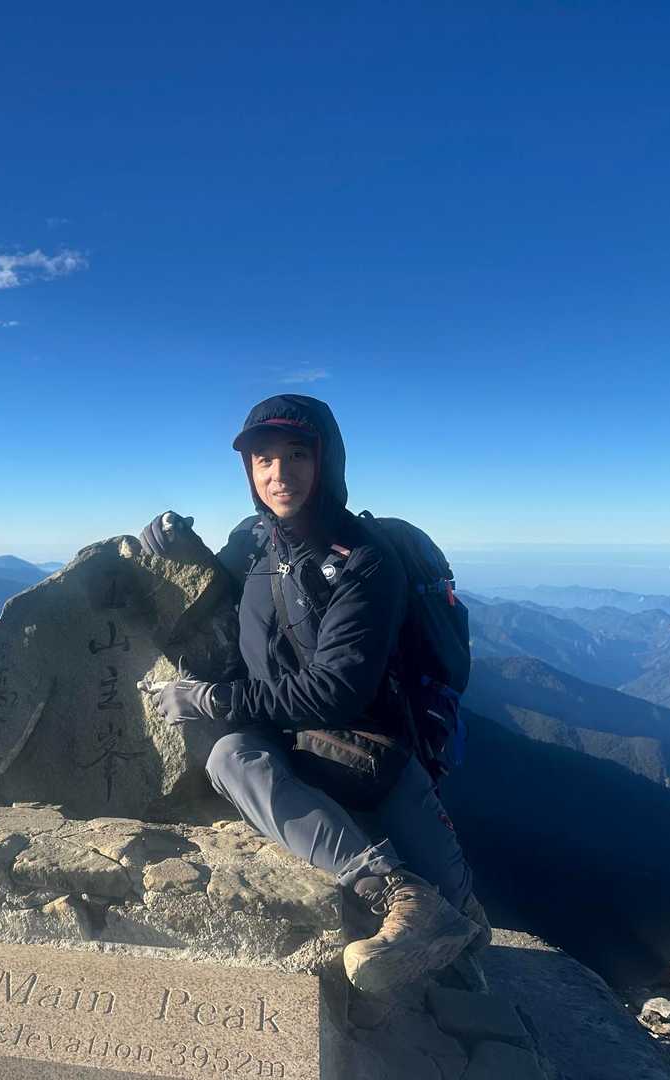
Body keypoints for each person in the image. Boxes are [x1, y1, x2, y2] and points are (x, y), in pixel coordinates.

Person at [139, 393, 489, 994]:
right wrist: (173, 546)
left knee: (468, 941)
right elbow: (223, 587)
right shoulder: (255, 543)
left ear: (328, 461)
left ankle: (445, 909)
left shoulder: (367, 561)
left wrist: (212, 701)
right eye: (263, 459)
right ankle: (398, 895)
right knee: (231, 758)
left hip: (369, 755)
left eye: (298, 455)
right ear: (248, 470)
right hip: (288, 742)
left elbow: (335, 692)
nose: (279, 474)